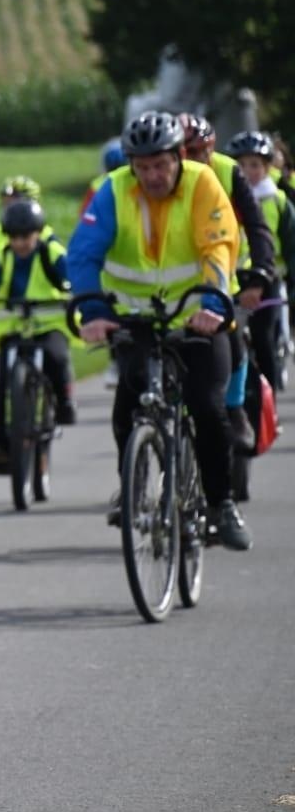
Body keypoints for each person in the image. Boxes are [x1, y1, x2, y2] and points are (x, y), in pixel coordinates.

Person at [67, 110, 252, 550]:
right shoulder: (113, 190)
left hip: (198, 316)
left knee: (207, 408)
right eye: (143, 165)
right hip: (138, 319)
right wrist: (92, 309)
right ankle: (133, 486)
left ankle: (222, 504)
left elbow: (219, 245)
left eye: (161, 164)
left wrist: (211, 304)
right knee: (125, 410)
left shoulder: (202, 184)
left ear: (179, 157)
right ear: (131, 164)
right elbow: (83, 253)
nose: (152, 174)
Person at [179, 112, 277, 450]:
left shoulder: (227, 172)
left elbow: (257, 226)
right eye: (184, 154)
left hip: (228, 275)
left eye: (199, 153)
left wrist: (261, 274)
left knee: (235, 345)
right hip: (176, 287)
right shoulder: (159, 180)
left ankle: (235, 410)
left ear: (211, 150)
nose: (192, 162)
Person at [0, 199, 75, 474]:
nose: (21, 243)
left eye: (26, 236)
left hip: (48, 325)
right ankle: (3, 439)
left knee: (57, 357)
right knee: (3, 380)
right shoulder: (1, 255)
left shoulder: (51, 251)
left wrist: (75, 289)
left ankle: (64, 402)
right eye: (14, 237)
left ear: (38, 233)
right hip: (13, 329)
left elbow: (72, 274)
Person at [226, 129, 294, 387]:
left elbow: (291, 243)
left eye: (254, 165)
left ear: (267, 167)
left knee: (264, 339)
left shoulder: (277, 200)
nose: (247, 171)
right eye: (241, 165)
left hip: (269, 279)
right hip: (234, 279)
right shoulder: (226, 199)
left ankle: (271, 400)